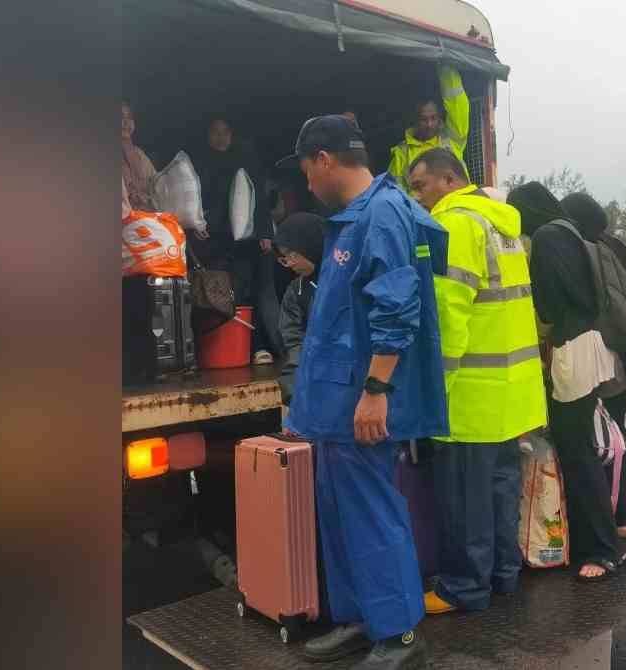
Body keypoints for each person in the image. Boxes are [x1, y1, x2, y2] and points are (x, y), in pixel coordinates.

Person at [278, 115, 448, 669]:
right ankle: (359, 619)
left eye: (306, 171)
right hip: (333, 407)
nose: (307, 184)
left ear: (324, 160)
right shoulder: (353, 219)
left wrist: (377, 390)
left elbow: (398, 309)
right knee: (340, 511)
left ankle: (399, 634)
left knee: (372, 512)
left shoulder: (382, 215)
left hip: (359, 403)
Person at [407, 148, 546, 614]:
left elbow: (450, 314)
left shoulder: (455, 224)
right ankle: (503, 574)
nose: (416, 197)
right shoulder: (503, 226)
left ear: (449, 180)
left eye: (420, 186)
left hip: (470, 395)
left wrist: (432, 389)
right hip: (511, 395)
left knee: (465, 501)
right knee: (499, 493)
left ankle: (463, 586)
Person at [507, 182, 625, 582]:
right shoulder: (569, 229)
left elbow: (555, 301)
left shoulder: (547, 236)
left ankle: (603, 550)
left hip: (570, 351)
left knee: (578, 453)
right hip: (590, 346)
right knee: (582, 448)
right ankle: (597, 540)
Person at [560, 192, 626, 537]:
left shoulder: (583, 248)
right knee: (618, 430)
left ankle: (621, 514)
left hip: (604, 352)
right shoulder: (614, 245)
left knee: (601, 437)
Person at [191, 117, 281, 364]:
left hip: (246, 243)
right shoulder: (199, 165)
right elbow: (193, 202)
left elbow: (259, 200)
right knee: (220, 294)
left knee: (249, 292)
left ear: (233, 135)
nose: (220, 138)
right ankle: (221, 349)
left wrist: (264, 233)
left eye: (225, 132)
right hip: (214, 243)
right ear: (207, 136)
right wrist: (197, 223)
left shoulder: (246, 162)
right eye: (215, 132)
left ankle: (259, 346)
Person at [387, 64, 470, 192]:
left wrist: (445, 64)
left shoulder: (453, 140)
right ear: (415, 121)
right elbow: (394, 194)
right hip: (422, 211)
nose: (429, 124)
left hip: (456, 209)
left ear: (439, 118)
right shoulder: (401, 154)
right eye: (424, 119)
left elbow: (457, 103)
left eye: (433, 118)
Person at [272, 212, 326, 406]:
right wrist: (293, 394)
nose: (290, 263)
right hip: (314, 380)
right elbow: (293, 342)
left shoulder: (344, 280)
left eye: (293, 255)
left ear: (312, 247)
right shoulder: (296, 291)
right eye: (284, 257)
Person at [121, 101, 156, 211]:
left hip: (147, 218)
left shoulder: (139, 154)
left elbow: (156, 182)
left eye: (130, 117)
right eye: (121, 117)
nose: (126, 122)